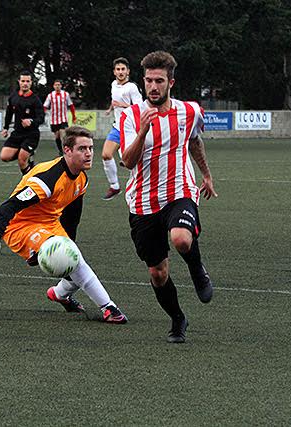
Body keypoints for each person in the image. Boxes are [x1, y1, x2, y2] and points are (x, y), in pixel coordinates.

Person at [0, 126, 128, 324]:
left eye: (91, 148)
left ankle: (59, 294)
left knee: (72, 259)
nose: (89, 154)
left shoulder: (81, 178)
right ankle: (108, 307)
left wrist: (69, 243)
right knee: (70, 259)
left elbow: (72, 217)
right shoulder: (47, 179)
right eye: (82, 149)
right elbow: (10, 205)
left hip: (49, 223)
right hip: (20, 226)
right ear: (67, 150)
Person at [119, 51, 217, 343]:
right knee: (158, 273)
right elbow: (127, 160)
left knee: (182, 239)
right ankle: (178, 318)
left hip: (179, 190)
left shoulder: (190, 111)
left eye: (159, 80)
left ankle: (198, 270)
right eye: (148, 80)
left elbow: (195, 140)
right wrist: (143, 131)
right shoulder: (131, 116)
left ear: (170, 82)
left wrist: (207, 175)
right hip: (142, 202)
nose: (153, 86)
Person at [101, 57, 143, 200]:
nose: (120, 72)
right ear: (114, 72)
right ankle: (114, 186)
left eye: (123, 69)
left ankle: (139, 189)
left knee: (132, 163)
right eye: (118, 69)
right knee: (106, 155)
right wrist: (110, 108)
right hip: (118, 127)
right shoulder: (113, 84)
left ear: (128, 71)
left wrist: (122, 105)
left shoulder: (132, 87)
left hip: (131, 128)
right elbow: (115, 101)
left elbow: (140, 107)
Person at [1, 70, 45, 175]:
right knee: (4, 157)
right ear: (19, 82)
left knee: (22, 160)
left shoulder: (35, 100)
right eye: (23, 81)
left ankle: (27, 180)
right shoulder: (13, 97)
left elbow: (41, 118)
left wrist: (31, 121)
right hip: (17, 133)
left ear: (31, 83)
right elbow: (9, 114)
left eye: (27, 81)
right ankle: (27, 153)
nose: (25, 83)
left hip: (31, 135)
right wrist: (6, 128)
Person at [43, 79, 77, 155]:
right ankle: (60, 151)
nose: (57, 86)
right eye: (56, 85)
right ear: (53, 86)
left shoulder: (65, 94)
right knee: (57, 136)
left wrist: (74, 116)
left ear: (61, 86)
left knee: (63, 134)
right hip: (54, 119)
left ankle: (66, 150)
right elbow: (45, 106)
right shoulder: (50, 95)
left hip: (63, 119)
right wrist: (42, 114)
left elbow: (71, 105)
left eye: (59, 85)